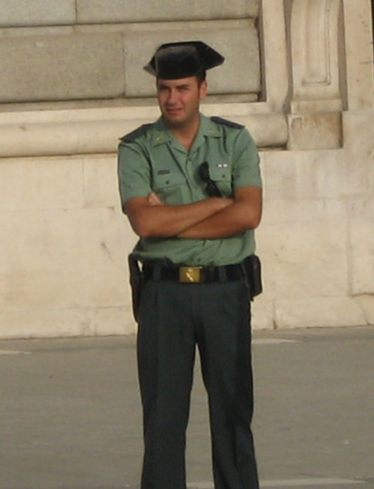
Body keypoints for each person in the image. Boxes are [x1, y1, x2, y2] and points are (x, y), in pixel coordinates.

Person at [117, 41, 262, 489]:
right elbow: (142, 219)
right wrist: (215, 203)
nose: (172, 98)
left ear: (203, 88)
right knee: (162, 419)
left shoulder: (235, 140)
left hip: (225, 290)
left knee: (233, 414)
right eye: (164, 89)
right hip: (165, 295)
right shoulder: (137, 147)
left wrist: (172, 223)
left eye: (182, 88)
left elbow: (248, 214)